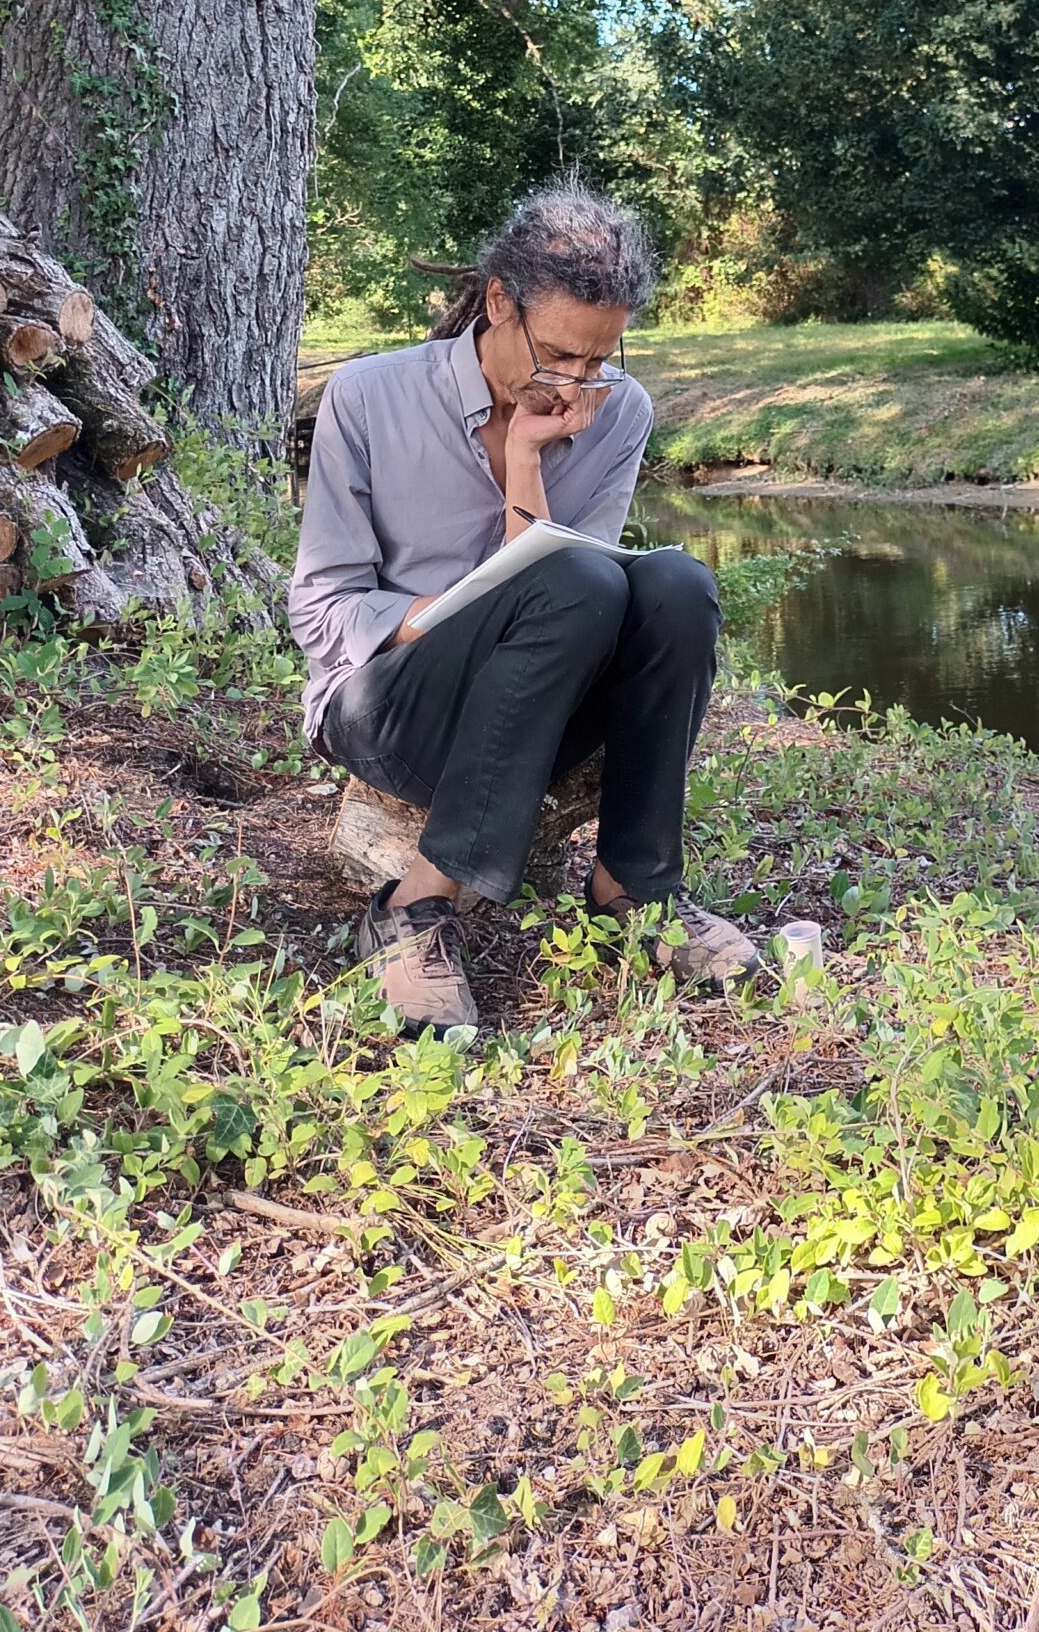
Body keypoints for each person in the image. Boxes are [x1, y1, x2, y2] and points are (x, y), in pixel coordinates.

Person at [288, 180, 758, 1033]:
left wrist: (529, 464)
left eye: (599, 360)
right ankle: (414, 906)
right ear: (500, 303)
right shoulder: (370, 396)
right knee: (571, 581)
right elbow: (323, 611)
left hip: (541, 700)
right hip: (389, 706)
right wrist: (454, 616)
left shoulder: (621, 412)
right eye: (557, 354)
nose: (577, 382)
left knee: (677, 585)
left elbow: (604, 599)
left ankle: (634, 887)